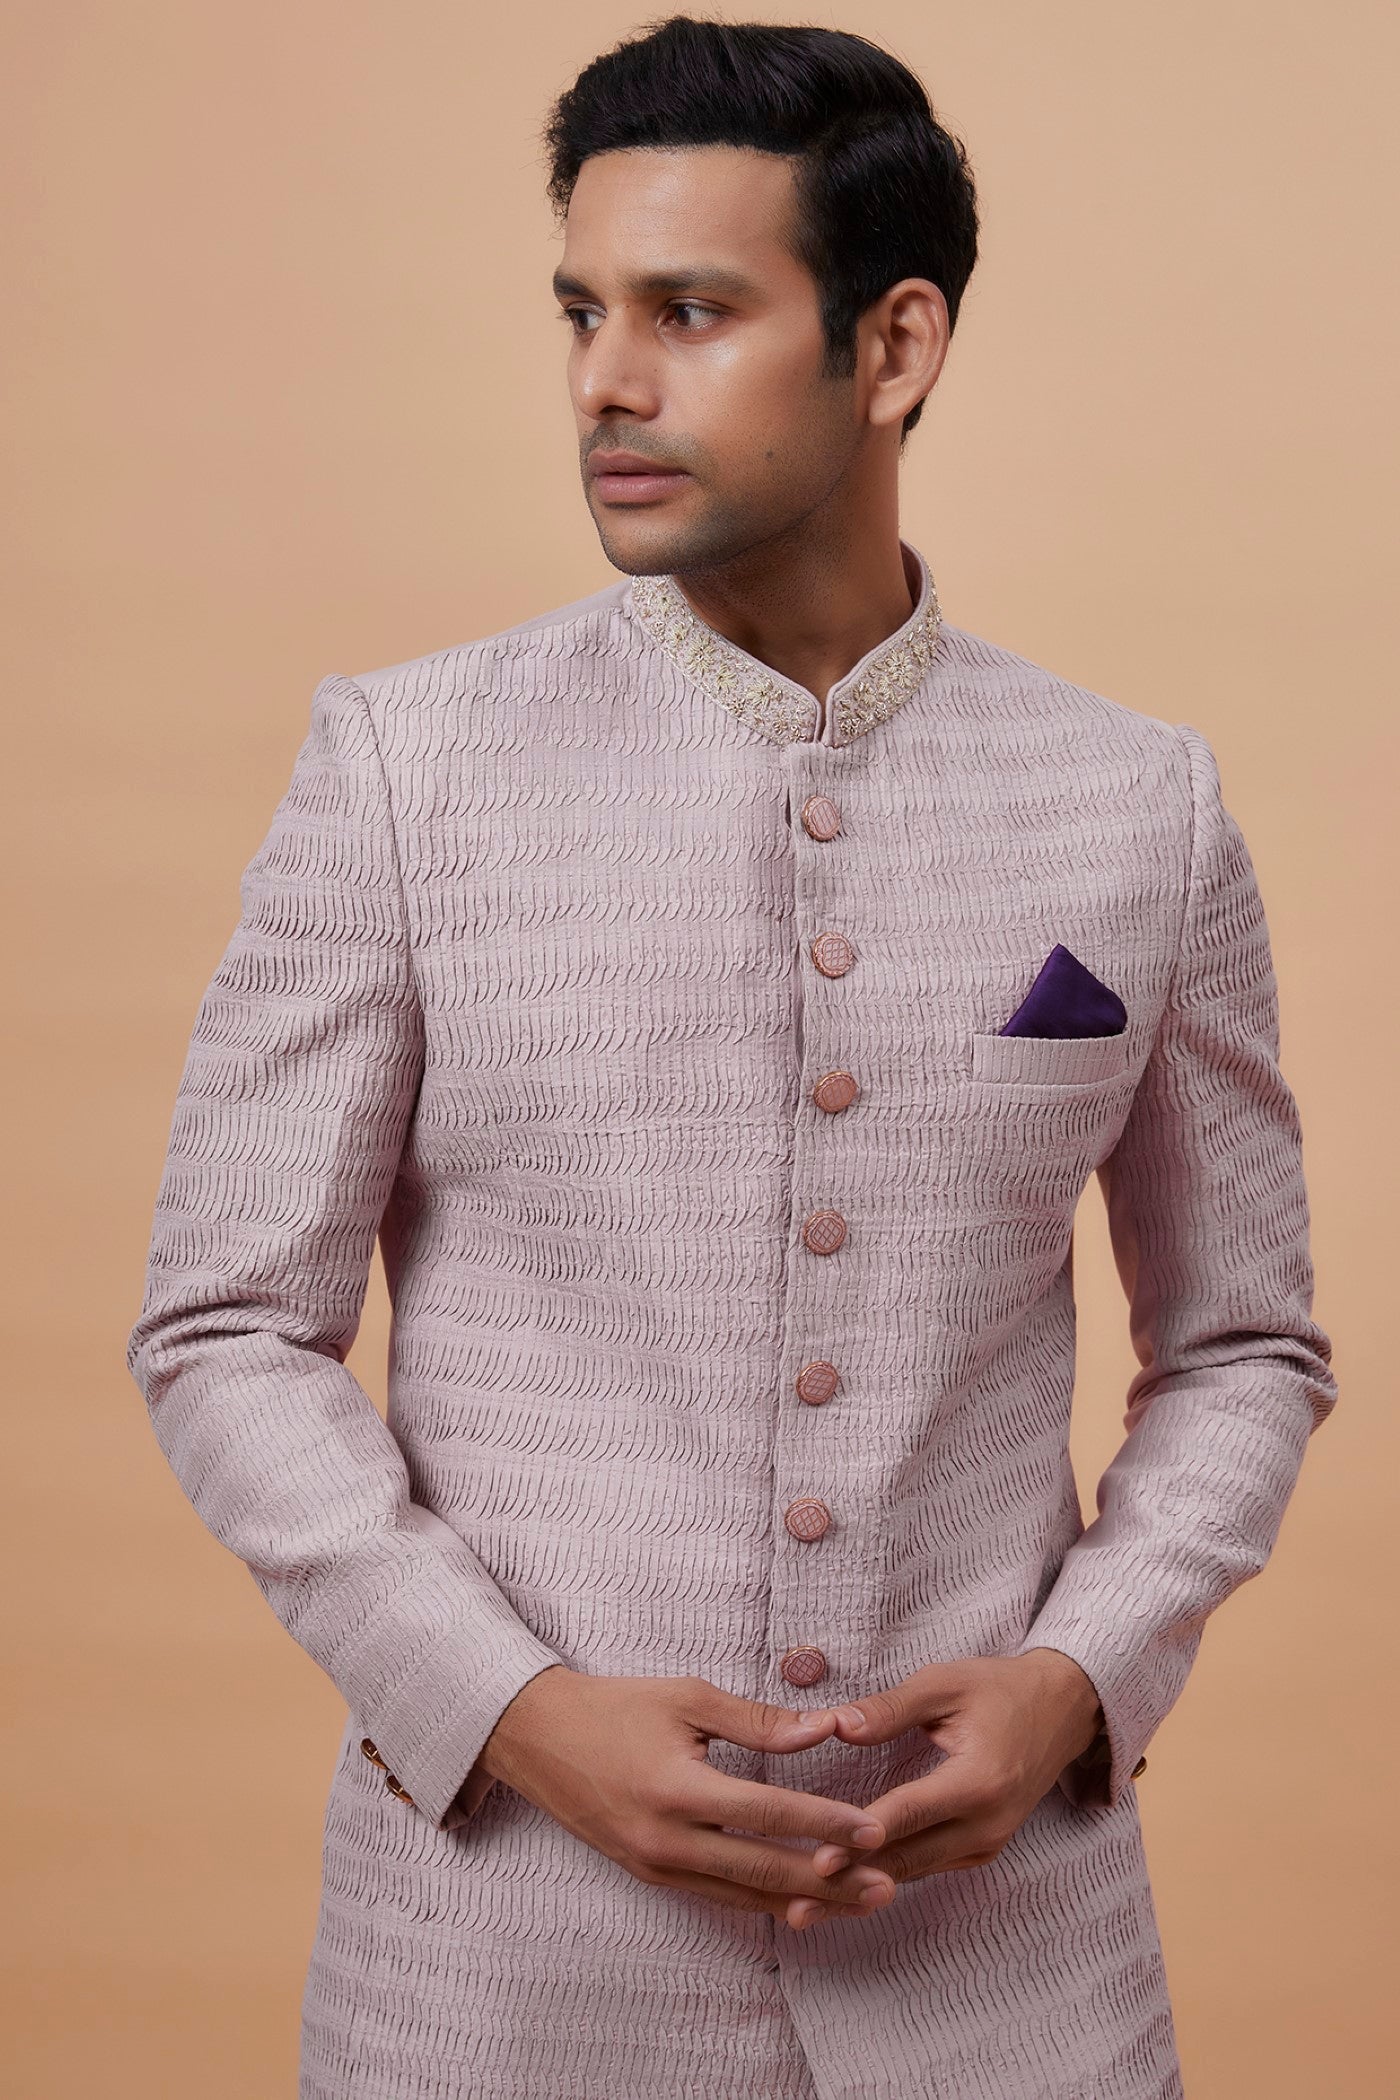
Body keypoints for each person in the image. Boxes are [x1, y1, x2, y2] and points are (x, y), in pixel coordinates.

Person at [125, 17, 1338, 2098]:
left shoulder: (1135, 805)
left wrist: (1080, 1674)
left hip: (1016, 1997)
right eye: (582, 312)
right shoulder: (406, 771)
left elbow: (1244, 1346)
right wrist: (505, 1708)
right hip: (501, 1987)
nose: (604, 381)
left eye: (688, 313)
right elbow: (225, 1327)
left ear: (895, 346)